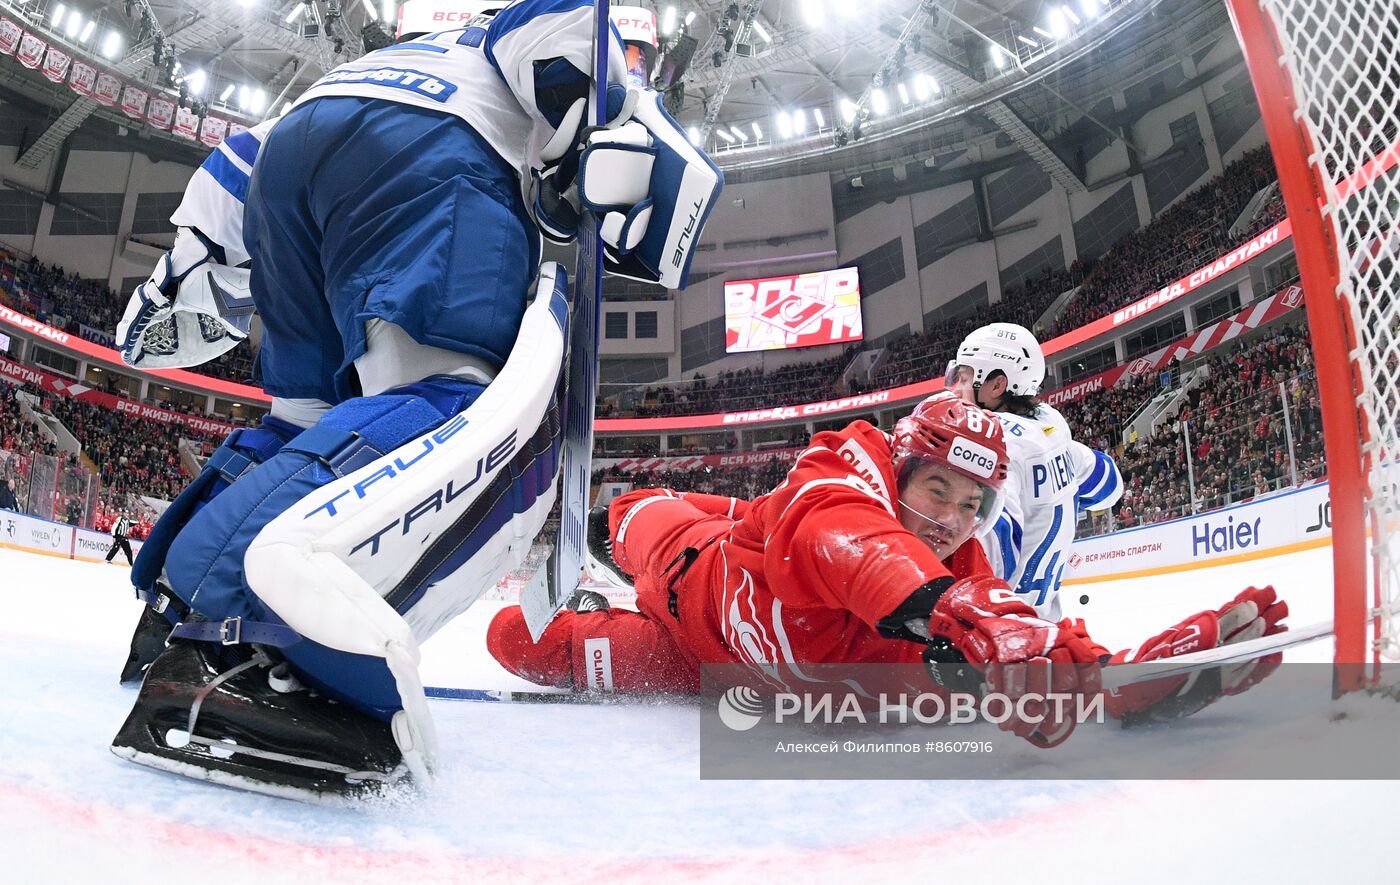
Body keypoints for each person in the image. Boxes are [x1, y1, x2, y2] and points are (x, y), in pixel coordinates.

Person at [107, 0, 722, 800]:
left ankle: (172, 606)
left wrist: (189, 257)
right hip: (432, 155)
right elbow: (557, 36)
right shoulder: (547, 46)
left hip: (291, 166)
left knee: (306, 427)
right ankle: (248, 649)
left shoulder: (390, 58)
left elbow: (244, 160)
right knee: (454, 410)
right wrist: (600, 122)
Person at [488, 393, 1288, 746]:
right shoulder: (846, 470)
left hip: (700, 669)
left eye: (972, 503)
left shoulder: (963, 574)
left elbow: (1006, 649)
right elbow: (853, 542)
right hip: (687, 565)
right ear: (900, 470)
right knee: (636, 515)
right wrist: (947, 609)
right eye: (937, 487)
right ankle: (605, 543)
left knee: (514, 641)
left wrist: (1116, 681)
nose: (950, 519)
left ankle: (615, 591)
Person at [945, 322, 1123, 618]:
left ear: (997, 385)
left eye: (965, 378)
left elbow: (997, 545)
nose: (957, 390)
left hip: (1003, 633)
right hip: (1048, 627)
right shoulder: (1052, 432)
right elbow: (1109, 485)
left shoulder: (994, 446)